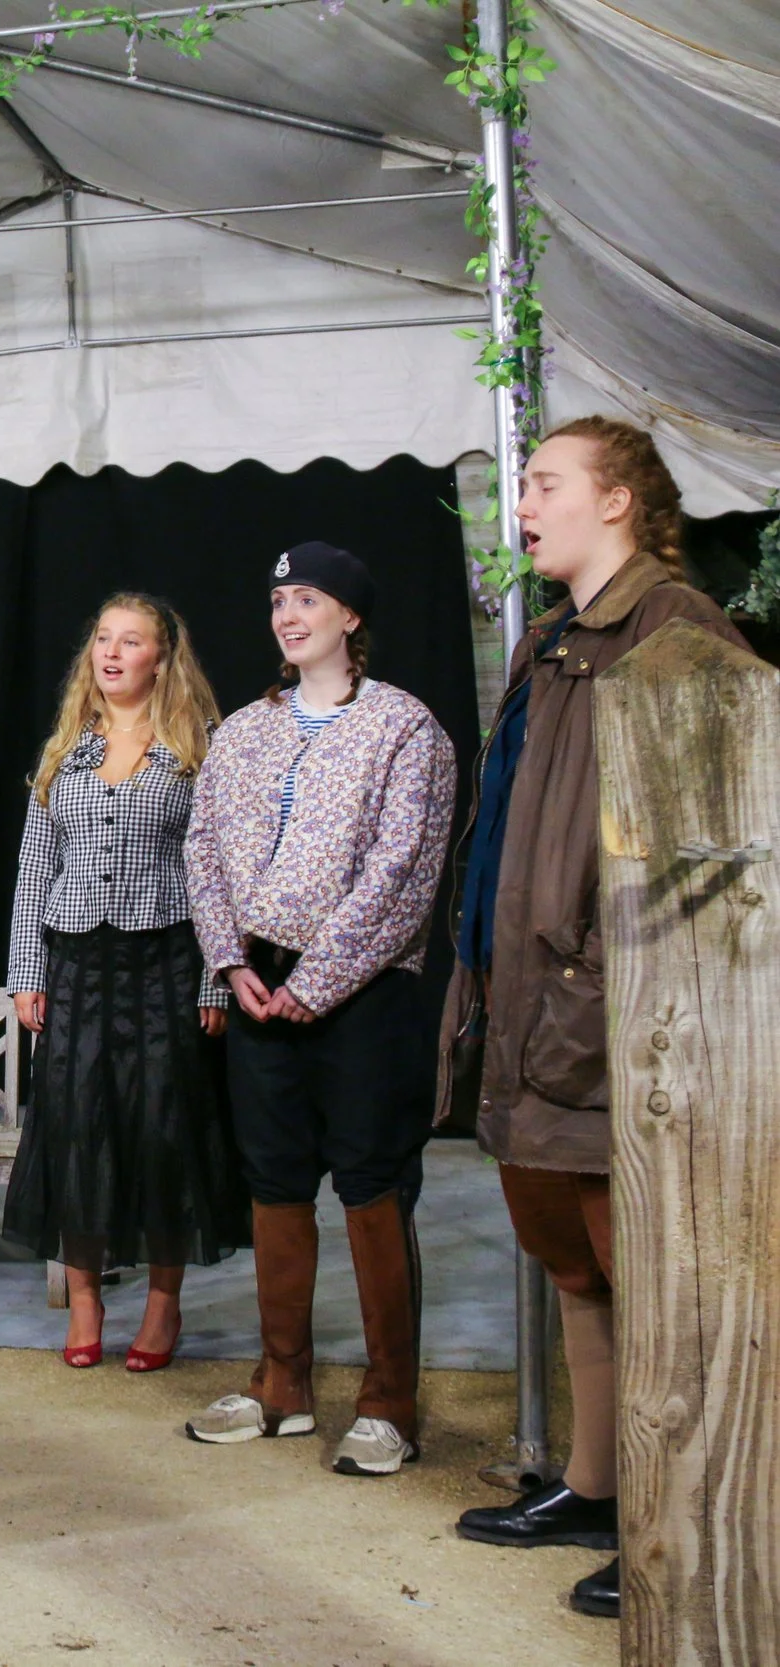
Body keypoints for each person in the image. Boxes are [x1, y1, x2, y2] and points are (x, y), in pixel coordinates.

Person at [443, 418, 748, 1620]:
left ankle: (677, 1519)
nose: (522, 500)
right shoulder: (551, 640)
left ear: (615, 501)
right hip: (526, 1003)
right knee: (575, 1265)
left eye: (542, 481)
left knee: (653, 1276)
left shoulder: (679, 633)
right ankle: (594, 1482)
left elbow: (710, 858)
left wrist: (594, 977)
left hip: (615, 1016)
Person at [179, 542, 456, 1477]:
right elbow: (204, 846)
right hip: (257, 982)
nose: (287, 614)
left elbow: (404, 868)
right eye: (277, 600)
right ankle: (282, 1383)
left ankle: (388, 1401)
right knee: (274, 1178)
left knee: (372, 1181)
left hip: (362, 992)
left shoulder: (402, 728)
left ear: (350, 617)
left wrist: (321, 977)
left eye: (307, 598)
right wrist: (228, 959)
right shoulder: (244, 731)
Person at [3, 595, 242, 1371]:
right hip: (77, 960)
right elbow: (36, 867)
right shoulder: (65, 747)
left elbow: (216, 872)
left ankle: (164, 1305)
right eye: (102, 637)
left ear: (160, 658)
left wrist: (215, 979)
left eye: (130, 640)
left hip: (165, 958)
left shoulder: (193, 750)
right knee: (76, 1124)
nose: (111, 652)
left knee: (162, 1126)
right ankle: (85, 1299)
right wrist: (25, 971)